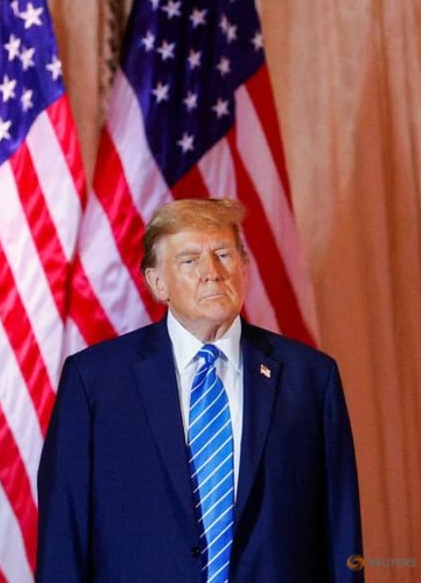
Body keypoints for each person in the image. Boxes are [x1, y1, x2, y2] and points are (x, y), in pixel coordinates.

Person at [36, 198, 363, 582]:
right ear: (157, 283)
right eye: (190, 260)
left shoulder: (310, 378)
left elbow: (341, 526)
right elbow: (64, 533)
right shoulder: (95, 382)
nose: (212, 273)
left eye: (223, 255)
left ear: (244, 268)